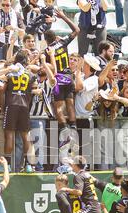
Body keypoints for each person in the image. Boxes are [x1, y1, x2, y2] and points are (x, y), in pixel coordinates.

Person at [44, 9, 80, 167]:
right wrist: (64, 16)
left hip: (58, 79)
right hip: (68, 76)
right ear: (55, 36)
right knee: (70, 102)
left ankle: (65, 128)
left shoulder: (47, 50)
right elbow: (77, 30)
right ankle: (73, 126)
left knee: (58, 106)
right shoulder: (63, 42)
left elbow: (51, 67)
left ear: (46, 40)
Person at [2, 51, 36, 173]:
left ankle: (7, 164)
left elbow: (2, 89)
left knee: (9, 134)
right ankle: (28, 164)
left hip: (11, 104)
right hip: (24, 106)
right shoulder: (30, 74)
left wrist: (2, 106)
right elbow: (34, 90)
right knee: (25, 135)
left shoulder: (10, 73)